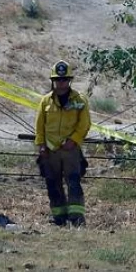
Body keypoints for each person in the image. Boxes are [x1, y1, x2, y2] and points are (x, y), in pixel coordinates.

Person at [34, 60, 91, 227]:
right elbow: (39, 125)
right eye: (58, 80)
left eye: (65, 79)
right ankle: (58, 217)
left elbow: (84, 124)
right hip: (50, 150)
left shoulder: (80, 100)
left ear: (70, 80)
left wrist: (73, 140)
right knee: (53, 183)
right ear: (53, 81)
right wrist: (41, 145)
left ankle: (77, 218)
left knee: (73, 182)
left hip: (70, 150)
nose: (61, 83)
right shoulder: (45, 101)